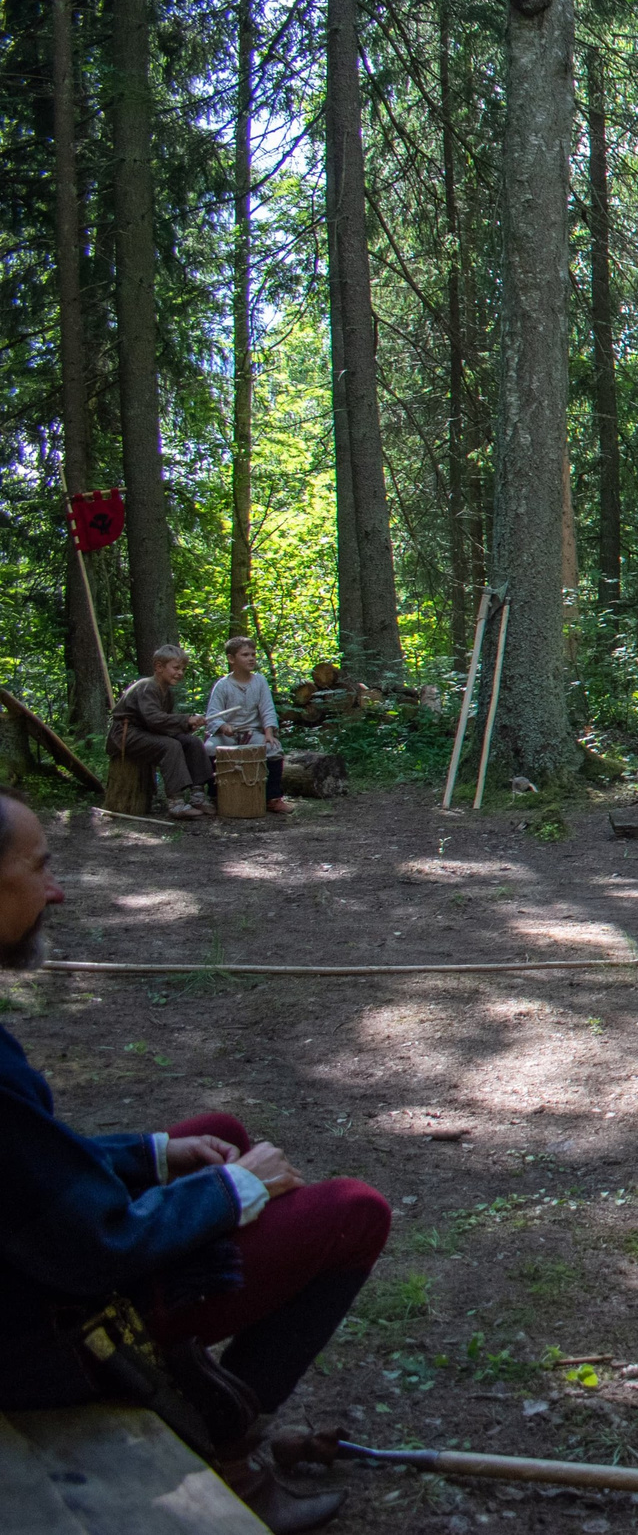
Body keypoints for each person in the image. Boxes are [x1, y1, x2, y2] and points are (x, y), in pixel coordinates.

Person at [0, 788, 389, 1531]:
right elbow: (93, 1247)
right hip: (34, 1339)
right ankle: (228, 1453)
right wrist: (235, 1189)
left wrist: (156, 1153)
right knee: (351, 1214)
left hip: (27, 1283)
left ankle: (194, 1386)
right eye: (38, 868)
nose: (56, 889)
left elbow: (29, 1165)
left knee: (216, 1128)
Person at [112, 646, 215, 820]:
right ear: (159, 667)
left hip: (146, 733)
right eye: (176, 668)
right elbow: (153, 719)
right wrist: (185, 719)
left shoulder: (167, 692)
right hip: (127, 735)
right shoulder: (147, 687)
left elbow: (162, 724)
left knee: (192, 742)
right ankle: (176, 802)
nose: (180, 673)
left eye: (183, 669)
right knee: (171, 745)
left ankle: (198, 795)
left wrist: (188, 726)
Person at [202, 637, 292, 816]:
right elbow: (212, 715)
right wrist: (223, 726)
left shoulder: (260, 681)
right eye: (245, 655)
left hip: (252, 733)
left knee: (274, 749)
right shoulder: (223, 685)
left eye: (253, 654)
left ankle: (272, 798)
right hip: (227, 734)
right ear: (231, 659)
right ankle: (214, 796)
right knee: (209, 748)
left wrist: (268, 732)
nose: (251, 658)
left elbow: (267, 708)